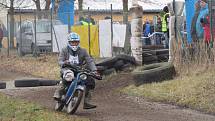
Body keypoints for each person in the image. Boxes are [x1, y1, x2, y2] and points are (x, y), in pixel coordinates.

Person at [53, 32, 98, 109]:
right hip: (67, 68)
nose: (74, 44)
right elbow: (60, 60)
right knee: (69, 76)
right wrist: (63, 63)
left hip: (79, 70)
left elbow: (89, 61)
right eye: (72, 42)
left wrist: (94, 70)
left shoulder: (83, 51)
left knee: (90, 81)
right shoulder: (64, 50)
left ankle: (87, 101)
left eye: (76, 42)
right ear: (69, 42)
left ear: (78, 42)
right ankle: (58, 93)